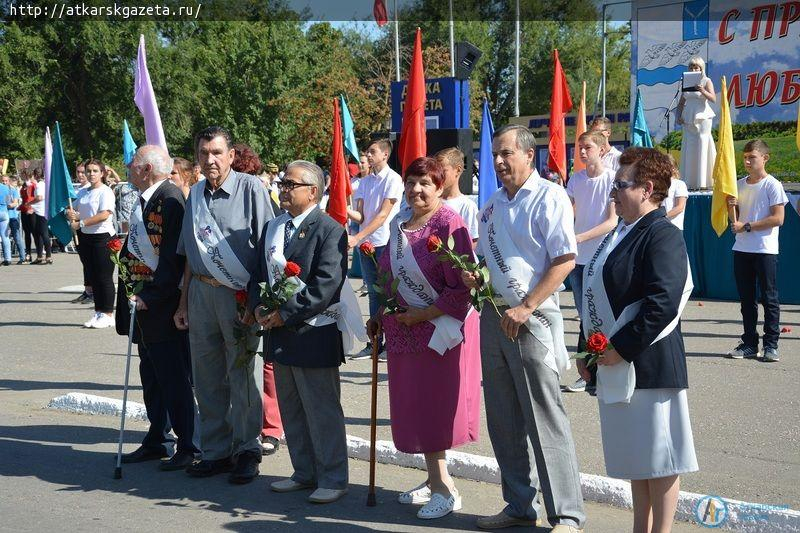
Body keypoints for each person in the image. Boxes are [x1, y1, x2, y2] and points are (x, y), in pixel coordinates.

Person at [464, 125, 585, 532]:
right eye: (495, 155)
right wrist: (476, 277)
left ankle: (566, 515)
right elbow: (486, 261)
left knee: (544, 418)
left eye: (506, 154)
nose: (498, 162)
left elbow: (565, 259)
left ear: (529, 156)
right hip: (493, 318)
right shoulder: (493, 205)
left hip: (531, 320)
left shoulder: (549, 197)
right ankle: (518, 504)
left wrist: (527, 305)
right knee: (504, 420)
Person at [578, 147, 697, 533]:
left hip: (650, 364)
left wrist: (619, 348)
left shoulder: (662, 234)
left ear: (647, 189)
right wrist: (588, 348)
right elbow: (597, 291)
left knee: (660, 461)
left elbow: (662, 303)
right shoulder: (621, 231)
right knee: (638, 458)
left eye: (620, 185)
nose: (613, 193)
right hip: (617, 361)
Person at [367, 157, 481, 520]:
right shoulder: (401, 223)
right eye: (411, 182)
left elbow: (461, 289)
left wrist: (422, 315)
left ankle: (446, 489)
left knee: (433, 410)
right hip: (403, 332)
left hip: (438, 334)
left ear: (440, 185)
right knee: (414, 405)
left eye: (425, 183)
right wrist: (379, 315)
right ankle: (433, 479)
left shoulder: (449, 222)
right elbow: (387, 274)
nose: (416, 190)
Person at [174, 126, 274, 484]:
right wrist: (183, 302)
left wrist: (257, 300)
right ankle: (215, 451)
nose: (210, 160)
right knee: (206, 376)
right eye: (204, 153)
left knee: (243, 373)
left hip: (239, 297)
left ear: (232, 155)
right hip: (201, 293)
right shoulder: (195, 194)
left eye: (217, 152)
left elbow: (267, 251)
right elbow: (189, 254)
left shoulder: (251, 189)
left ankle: (247, 448)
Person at [249, 160, 351, 504]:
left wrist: (285, 313)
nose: (283, 188)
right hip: (279, 332)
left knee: (322, 410)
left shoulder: (330, 229)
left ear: (313, 191)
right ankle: (304, 472)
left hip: (313, 333)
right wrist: (258, 307)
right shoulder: (273, 228)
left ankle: (333, 478)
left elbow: (326, 285)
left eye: (290, 184)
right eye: (282, 183)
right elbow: (257, 274)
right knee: (291, 408)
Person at [114, 145, 199, 470]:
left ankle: (188, 444)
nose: (127, 167)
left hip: (161, 306)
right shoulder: (148, 197)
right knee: (151, 375)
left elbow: (172, 259)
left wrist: (151, 296)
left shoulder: (170, 199)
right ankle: (157, 437)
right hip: (144, 305)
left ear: (146, 168)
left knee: (173, 378)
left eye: (133, 163)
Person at [231, 143, 283, 456]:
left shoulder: (258, 194)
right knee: (240, 358)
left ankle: (271, 426)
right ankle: (242, 421)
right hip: (230, 288)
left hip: (257, 285)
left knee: (267, 361)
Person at [564, 131, 618, 395]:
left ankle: (601, 372)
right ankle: (588, 374)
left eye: (588, 147)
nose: (583, 152)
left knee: (600, 315)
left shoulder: (612, 179)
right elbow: (566, 211)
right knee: (585, 317)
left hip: (603, 258)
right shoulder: (576, 179)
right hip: (578, 259)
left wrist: (579, 237)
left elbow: (612, 221)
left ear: (601, 150)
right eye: (580, 148)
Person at [726, 139, 788, 362]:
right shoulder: (739, 184)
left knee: (769, 298)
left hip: (765, 250)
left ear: (765, 158)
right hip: (742, 249)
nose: (747, 161)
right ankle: (750, 343)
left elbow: (778, 218)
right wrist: (730, 206)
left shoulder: (773, 185)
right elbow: (736, 219)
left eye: (752, 157)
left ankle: (771, 345)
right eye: (745, 157)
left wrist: (748, 226)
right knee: (746, 299)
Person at [347, 139, 404, 360]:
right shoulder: (364, 182)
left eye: (372, 152)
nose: (368, 156)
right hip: (366, 244)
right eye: (367, 153)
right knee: (373, 293)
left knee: (389, 293)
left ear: (385, 155)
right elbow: (361, 216)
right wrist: (342, 208)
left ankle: (392, 341)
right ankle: (375, 342)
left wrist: (358, 237)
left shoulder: (393, 179)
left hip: (384, 242)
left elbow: (382, 215)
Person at [66, 159, 117, 328]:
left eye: (95, 171)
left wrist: (81, 223)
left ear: (102, 173)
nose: (91, 174)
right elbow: (74, 210)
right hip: (86, 238)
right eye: (88, 171)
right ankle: (99, 312)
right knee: (93, 277)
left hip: (103, 237)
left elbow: (104, 214)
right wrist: (69, 213)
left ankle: (108, 313)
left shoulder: (105, 192)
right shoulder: (83, 192)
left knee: (104, 277)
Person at [676, 56, 716, 190]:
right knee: (689, 145)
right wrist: (678, 116)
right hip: (688, 118)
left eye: (696, 67)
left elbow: (713, 99)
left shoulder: (706, 80)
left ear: (701, 68)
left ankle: (703, 182)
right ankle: (689, 182)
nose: (694, 69)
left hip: (703, 117)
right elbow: (681, 102)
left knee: (702, 144)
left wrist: (702, 90)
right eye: (692, 67)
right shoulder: (685, 82)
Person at [435, 148, 479, 245]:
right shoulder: (432, 201)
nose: (438, 175)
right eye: (436, 171)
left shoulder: (467, 206)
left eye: (443, 170)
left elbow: (473, 242)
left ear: (458, 170)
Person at [71, 161, 95, 305]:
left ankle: (93, 291)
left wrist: (78, 216)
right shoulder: (80, 190)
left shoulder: (90, 189)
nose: (81, 175)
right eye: (78, 172)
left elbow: (91, 213)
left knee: (91, 263)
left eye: (83, 172)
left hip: (90, 230)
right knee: (85, 262)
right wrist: (70, 212)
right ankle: (87, 290)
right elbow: (74, 209)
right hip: (80, 229)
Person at [28, 169, 53, 265]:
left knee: (43, 234)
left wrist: (28, 203)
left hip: (40, 212)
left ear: (35, 175)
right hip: (41, 211)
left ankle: (48, 256)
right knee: (39, 234)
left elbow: (39, 197)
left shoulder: (39, 185)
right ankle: (40, 256)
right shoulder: (45, 184)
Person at [662, 159, 689, 230]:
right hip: (659, 228)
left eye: (666, 166)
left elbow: (680, 207)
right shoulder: (658, 185)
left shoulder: (679, 184)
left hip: (673, 228)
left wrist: (663, 218)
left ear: (673, 168)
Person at [5, 176, 26, 264]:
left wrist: (5, 205)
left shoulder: (12, 191)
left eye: (6, 180)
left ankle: (22, 257)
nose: (4, 182)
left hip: (13, 217)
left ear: (9, 181)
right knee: (4, 238)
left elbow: (15, 203)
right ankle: (7, 259)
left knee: (17, 237)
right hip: (3, 218)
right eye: (2, 180)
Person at [19, 170, 37, 263]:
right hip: (24, 211)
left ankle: (39, 254)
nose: (21, 176)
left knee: (34, 232)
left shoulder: (33, 185)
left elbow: (36, 198)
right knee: (27, 233)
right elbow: (23, 199)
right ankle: (28, 254)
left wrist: (32, 208)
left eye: (23, 174)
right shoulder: (24, 185)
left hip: (32, 211)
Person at [114, 170, 138, 234]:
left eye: (131, 174)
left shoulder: (137, 185)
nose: (130, 176)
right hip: (123, 211)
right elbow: (115, 192)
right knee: (125, 232)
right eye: (128, 174)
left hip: (133, 209)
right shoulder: (122, 185)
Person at [0, 175, 12, 266]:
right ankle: (8, 259)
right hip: (4, 212)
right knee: (5, 236)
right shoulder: (6, 188)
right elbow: (9, 202)